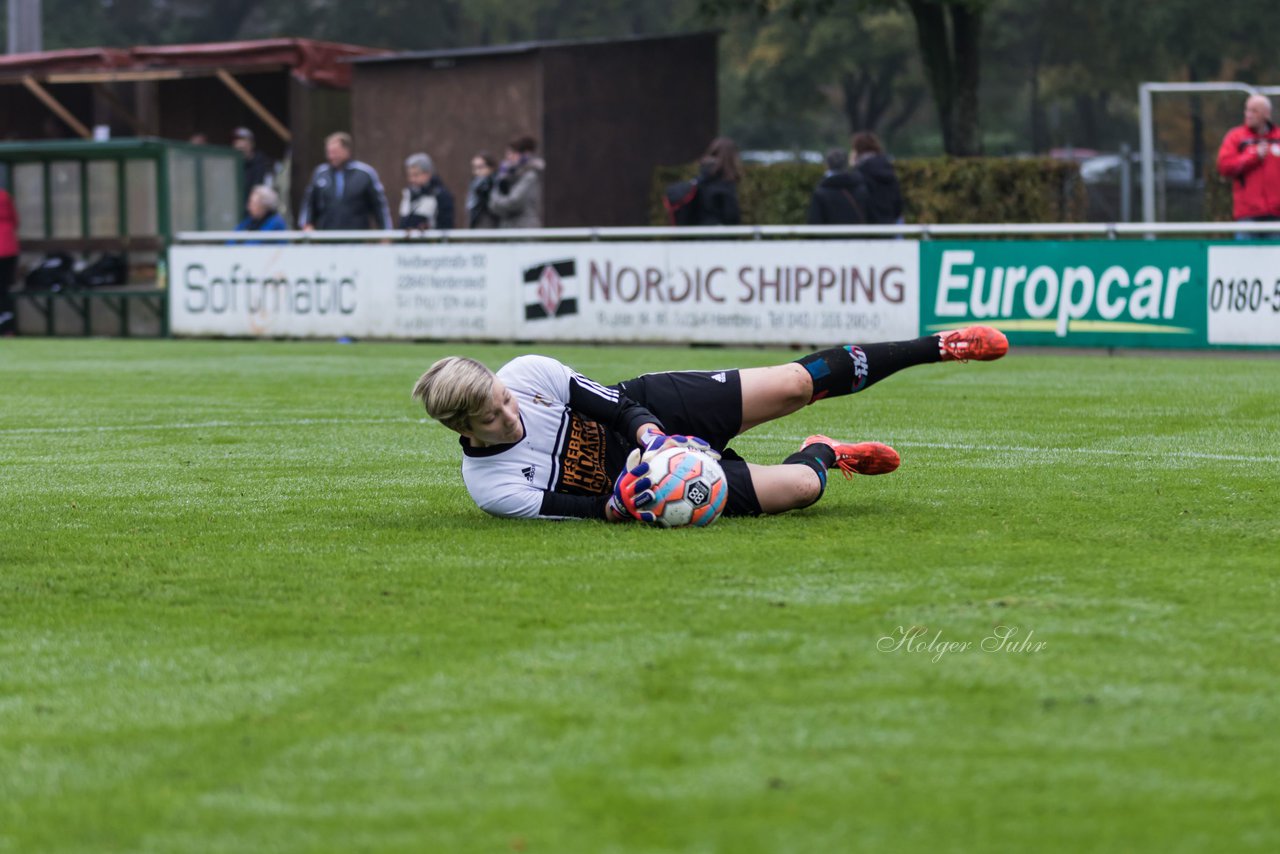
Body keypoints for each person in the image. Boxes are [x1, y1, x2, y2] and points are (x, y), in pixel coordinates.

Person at [411, 326, 1009, 522]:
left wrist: (652, 436)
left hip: (656, 411)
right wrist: (632, 498)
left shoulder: (525, 373)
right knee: (803, 490)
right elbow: (591, 512)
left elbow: (614, 404)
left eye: (503, 395)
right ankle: (825, 451)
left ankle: (938, 344)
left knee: (796, 383)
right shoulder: (492, 489)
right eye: (494, 413)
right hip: (650, 485)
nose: (509, 407)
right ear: (463, 427)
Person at [298, 132, 392, 231]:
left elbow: (379, 206)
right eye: (329, 152)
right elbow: (309, 202)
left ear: (346, 151)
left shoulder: (365, 174)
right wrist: (307, 224)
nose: (331, 156)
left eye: (334, 152)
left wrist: (386, 231)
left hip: (357, 236)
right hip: (327, 235)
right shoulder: (320, 173)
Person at [1216, 94, 1280, 232]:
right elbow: (1224, 166)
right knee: (1245, 252)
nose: (1248, 114)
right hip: (1248, 215)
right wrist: (1252, 156)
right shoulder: (1236, 137)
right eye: (1247, 110)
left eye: (1254, 111)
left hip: (1277, 215)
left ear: (1266, 114)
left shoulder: (1278, 138)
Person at [850, 131, 904, 226]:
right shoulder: (887, 166)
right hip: (890, 220)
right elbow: (897, 199)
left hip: (869, 224)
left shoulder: (861, 171)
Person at [490, 136, 544, 228]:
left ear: (524, 155)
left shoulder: (530, 176)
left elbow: (513, 202)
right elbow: (491, 204)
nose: (508, 158)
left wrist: (497, 203)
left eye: (512, 154)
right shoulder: (504, 176)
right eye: (507, 154)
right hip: (507, 230)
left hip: (524, 231)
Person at [806, 148, 870, 225]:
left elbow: (814, 222)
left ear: (827, 164)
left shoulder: (820, 193)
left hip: (830, 236)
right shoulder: (861, 190)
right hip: (856, 236)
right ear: (846, 164)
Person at [693, 136, 743, 226]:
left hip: (699, 232)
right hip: (720, 234)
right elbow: (731, 215)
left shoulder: (701, 178)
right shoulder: (724, 183)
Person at [398, 152, 455, 230]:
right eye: (410, 175)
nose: (411, 179)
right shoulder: (408, 194)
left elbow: (446, 227)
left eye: (416, 175)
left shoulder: (441, 196)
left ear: (428, 174)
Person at [232, 127, 275, 208]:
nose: (240, 145)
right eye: (237, 143)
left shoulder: (261, 165)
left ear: (251, 144)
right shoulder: (232, 166)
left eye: (244, 142)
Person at [466, 151, 499, 229]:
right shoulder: (475, 185)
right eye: (474, 167)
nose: (477, 171)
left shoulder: (495, 183)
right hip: (476, 225)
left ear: (491, 167)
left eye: (480, 167)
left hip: (491, 228)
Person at [0, 187, 17, 336]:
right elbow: (15, 220)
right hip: (9, 248)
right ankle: (8, 329)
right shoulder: (5, 195)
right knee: (4, 290)